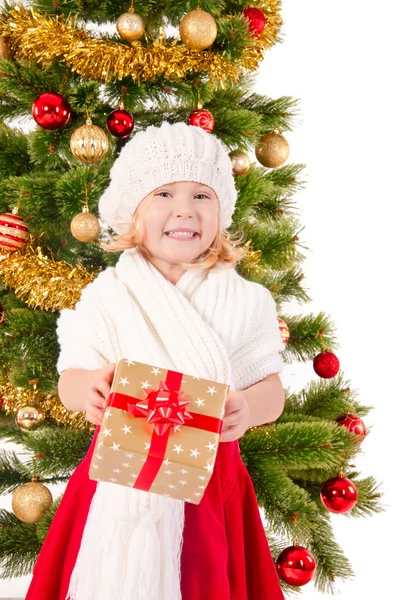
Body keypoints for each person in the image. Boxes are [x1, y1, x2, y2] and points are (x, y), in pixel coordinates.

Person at [25, 121, 286, 600]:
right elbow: (72, 375)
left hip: (211, 483)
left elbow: (271, 389)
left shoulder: (247, 300)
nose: (184, 210)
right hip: (117, 479)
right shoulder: (108, 295)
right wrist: (90, 390)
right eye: (164, 194)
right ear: (133, 214)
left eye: (201, 196)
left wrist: (248, 407)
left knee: (204, 580)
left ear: (222, 213)